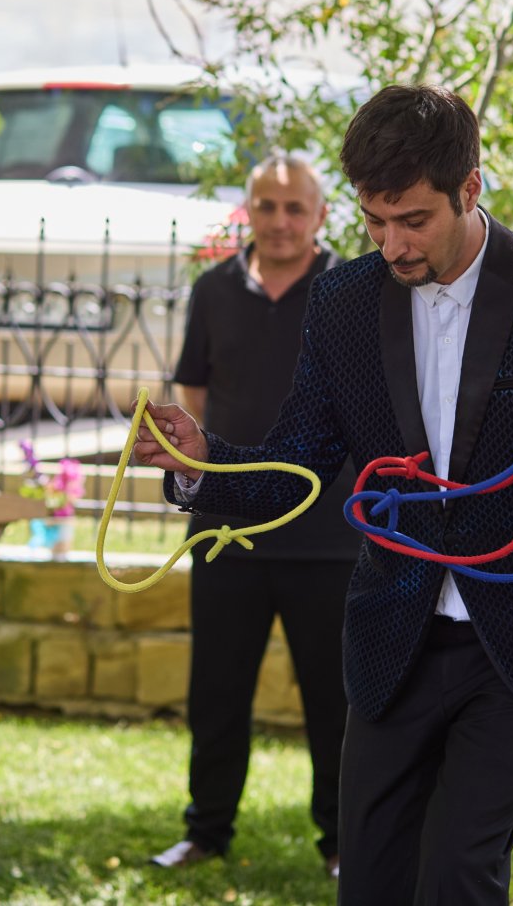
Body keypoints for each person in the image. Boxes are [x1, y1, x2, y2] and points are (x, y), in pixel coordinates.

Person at [135, 85, 513, 904]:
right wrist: (206, 466)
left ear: (471, 188)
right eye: (374, 221)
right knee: (372, 879)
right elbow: (300, 461)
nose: (391, 244)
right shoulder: (344, 301)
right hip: (396, 639)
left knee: (456, 873)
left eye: (413, 220)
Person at [150, 155, 356, 878]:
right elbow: (193, 395)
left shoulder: (351, 291)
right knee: (216, 692)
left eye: (295, 207)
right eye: (266, 206)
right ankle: (206, 830)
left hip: (328, 532)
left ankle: (339, 842)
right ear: (250, 212)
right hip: (225, 531)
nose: (279, 221)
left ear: (321, 215)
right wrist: (193, 478)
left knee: (335, 702)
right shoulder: (213, 290)